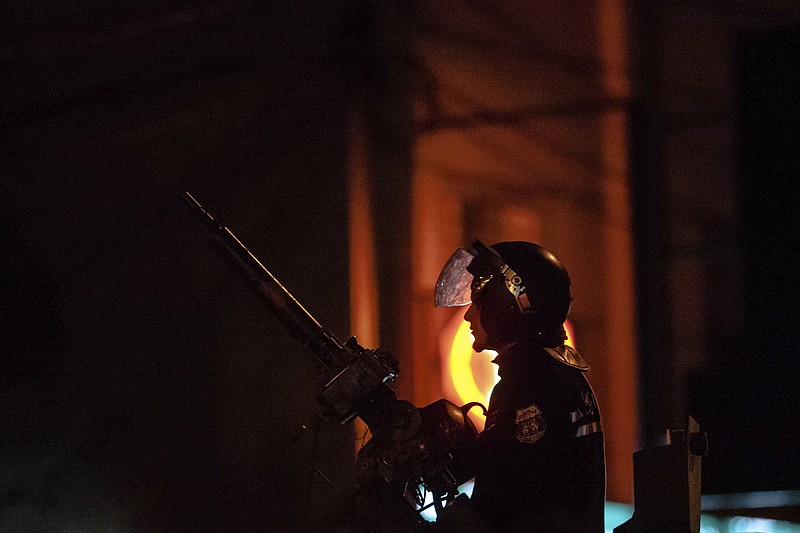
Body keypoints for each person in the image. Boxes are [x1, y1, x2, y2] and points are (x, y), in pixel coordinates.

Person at [433, 240, 606, 533]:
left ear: (511, 302)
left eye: (479, 303)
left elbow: (519, 502)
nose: (468, 316)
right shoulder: (552, 374)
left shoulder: (534, 384)